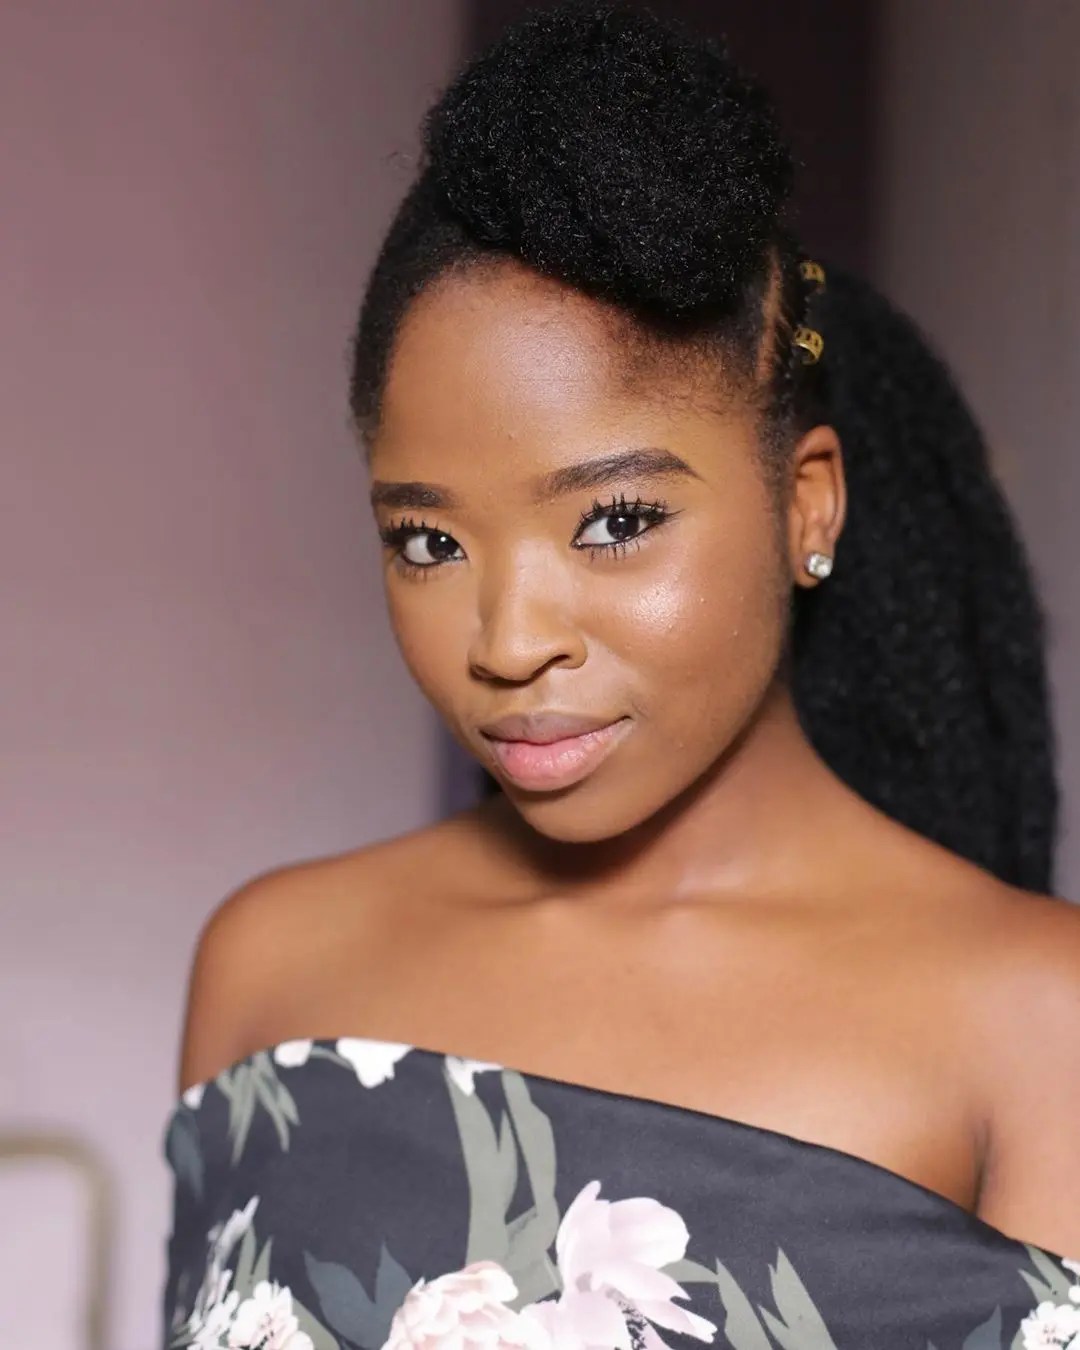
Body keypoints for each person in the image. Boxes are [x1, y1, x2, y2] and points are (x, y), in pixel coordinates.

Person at [162, 5, 1080, 1348]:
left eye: (614, 520)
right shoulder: (271, 969)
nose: (506, 639)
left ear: (807, 503)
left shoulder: (1038, 1023)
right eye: (428, 541)